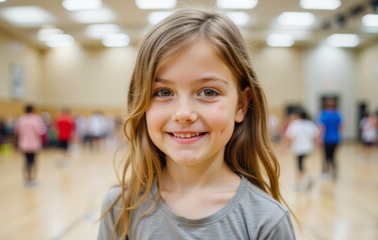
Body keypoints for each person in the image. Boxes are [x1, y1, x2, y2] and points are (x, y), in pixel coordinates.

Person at [98, 9, 295, 240]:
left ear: (241, 105)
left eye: (208, 92)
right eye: (163, 92)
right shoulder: (122, 207)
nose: (184, 114)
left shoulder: (267, 220)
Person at [284, 109, 319, 191]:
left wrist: (283, 146)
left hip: (298, 149)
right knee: (301, 165)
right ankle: (303, 181)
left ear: (299, 116)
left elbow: (289, 137)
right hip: (309, 148)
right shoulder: (310, 124)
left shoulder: (295, 124)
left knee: (299, 166)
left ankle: (303, 180)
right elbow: (315, 137)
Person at [15, 105, 46, 186]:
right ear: (33, 110)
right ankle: (32, 179)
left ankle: (26, 179)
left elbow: (17, 131)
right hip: (33, 144)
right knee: (33, 161)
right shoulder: (36, 119)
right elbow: (39, 131)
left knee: (26, 161)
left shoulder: (21, 119)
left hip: (23, 144)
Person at [318, 98, 343, 180]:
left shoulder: (323, 114)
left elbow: (322, 127)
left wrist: (320, 138)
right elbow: (342, 127)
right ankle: (334, 171)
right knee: (332, 155)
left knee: (326, 156)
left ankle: (326, 172)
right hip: (335, 138)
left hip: (326, 138)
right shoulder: (337, 114)